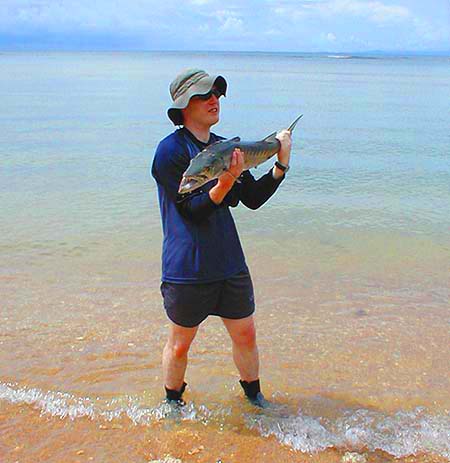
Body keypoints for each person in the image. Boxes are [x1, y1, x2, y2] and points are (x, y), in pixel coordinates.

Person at [151, 68, 292, 407]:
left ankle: (254, 399)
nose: (214, 99)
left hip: (229, 262)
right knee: (181, 343)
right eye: (205, 95)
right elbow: (191, 211)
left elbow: (253, 199)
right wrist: (224, 183)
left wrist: (280, 166)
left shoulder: (227, 148)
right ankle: (172, 403)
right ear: (186, 105)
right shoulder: (169, 152)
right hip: (187, 266)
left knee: (246, 334)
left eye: (216, 93)